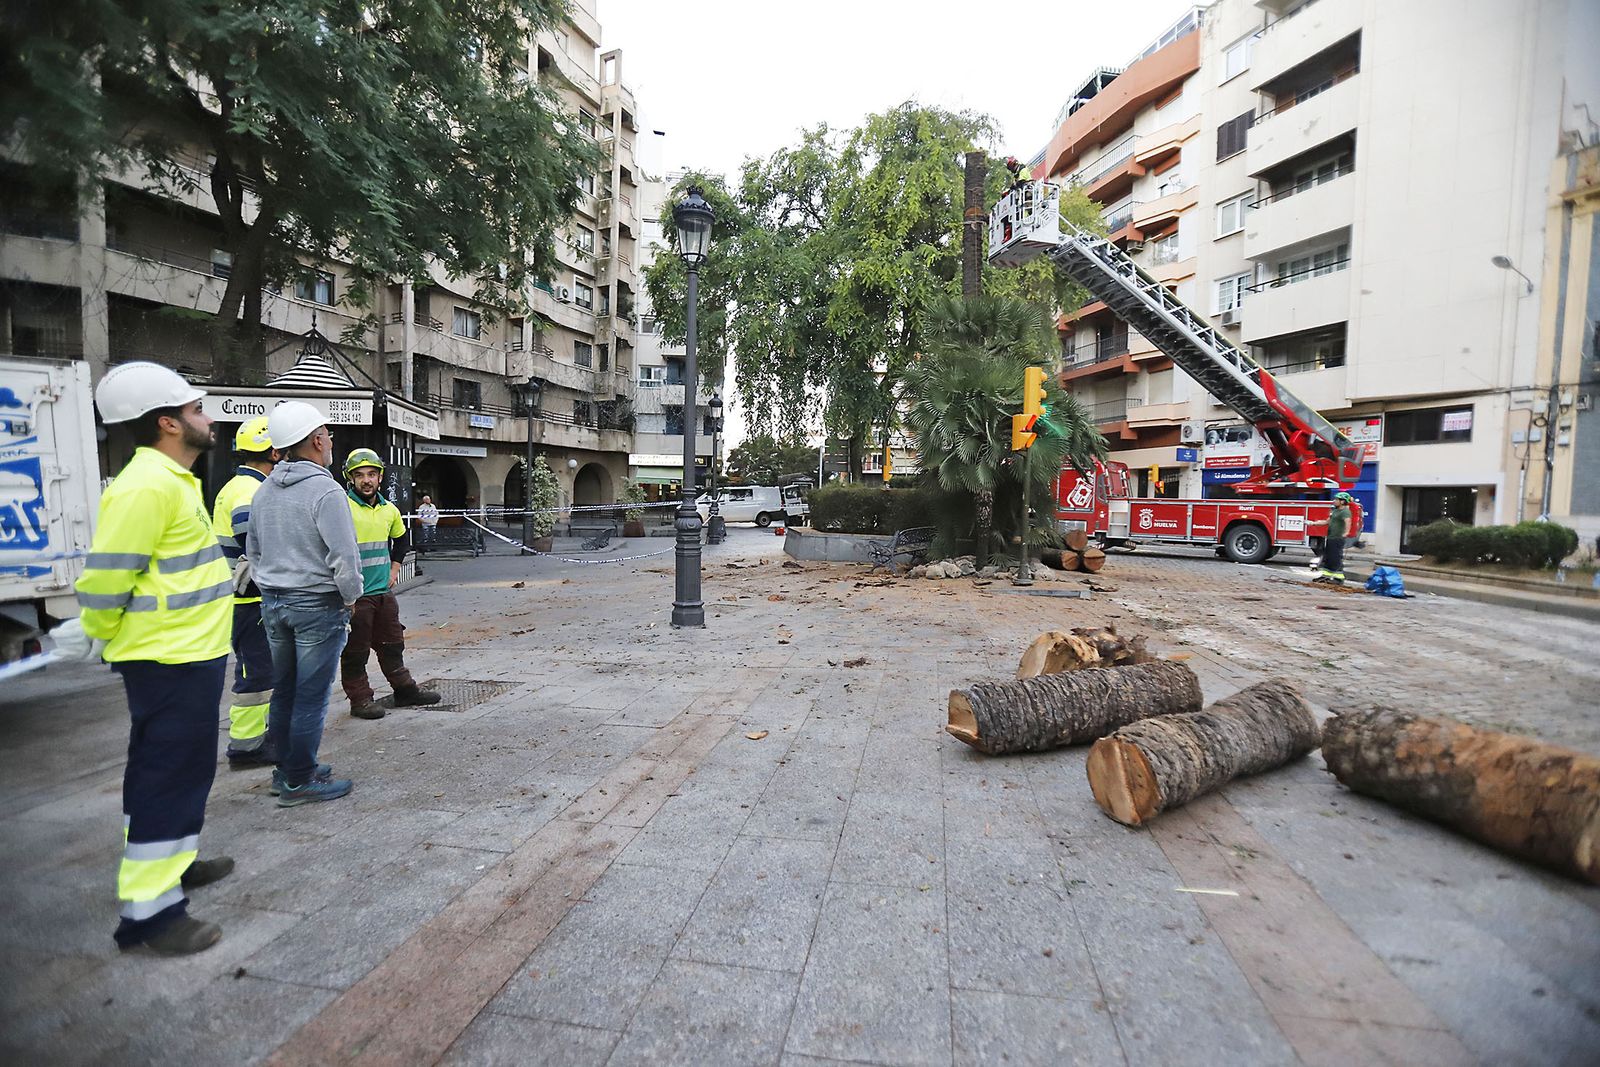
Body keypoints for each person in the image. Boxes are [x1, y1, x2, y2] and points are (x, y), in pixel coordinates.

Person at [55, 361, 235, 954]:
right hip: (168, 660)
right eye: (195, 411)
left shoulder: (170, 479)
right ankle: (151, 916)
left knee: (173, 772)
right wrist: (93, 630)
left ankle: (175, 864)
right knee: (169, 776)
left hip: (187, 655)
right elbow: (108, 577)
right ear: (168, 424)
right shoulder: (146, 486)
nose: (207, 418)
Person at [247, 401, 361, 806]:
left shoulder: (265, 489)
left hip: (274, 603)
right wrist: (351, 598)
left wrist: (272, 588)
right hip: (316, 604)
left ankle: (288, 769)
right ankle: (299, 781)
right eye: (328, 434)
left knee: (286, 692)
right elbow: (344, 557)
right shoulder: (326, 490)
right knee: (310, 697)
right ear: (316, 441)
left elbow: (253, 551)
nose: (330, 440)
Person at [340, 449, 440, 719]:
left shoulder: (389, 509)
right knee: (355, 650)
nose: (366, 480)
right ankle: (360, 699)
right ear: (350, 478)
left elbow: (402, 540)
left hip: (382, 592)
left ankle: (404, 689)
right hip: (354, 595)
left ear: (380, 477)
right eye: (359, 475)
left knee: (392, 643)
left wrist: (395, 568)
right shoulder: (341, 506)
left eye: (371, 474)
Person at [211, 416, 277, 767]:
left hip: (245, 598)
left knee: (259, 670)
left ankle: (255, 738)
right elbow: (256, 545)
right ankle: (247, 746)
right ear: (274, 452)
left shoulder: (237, 486)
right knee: (257, 673)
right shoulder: (250, 493)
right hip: (250, 600)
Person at [1316, 492, 1355, 586]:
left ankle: (1339, 578)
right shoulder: (1335, 511)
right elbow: (1327, 522)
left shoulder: (1345, 512)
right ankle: (1326, 576)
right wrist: (1313, 523)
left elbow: (1348, 522)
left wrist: (1346, 532)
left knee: (1336, 558)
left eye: (1337, 499)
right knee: (1328, 557)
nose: (1334, 501)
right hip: (1331, 537)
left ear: (1342, 501)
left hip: (1338, 538)